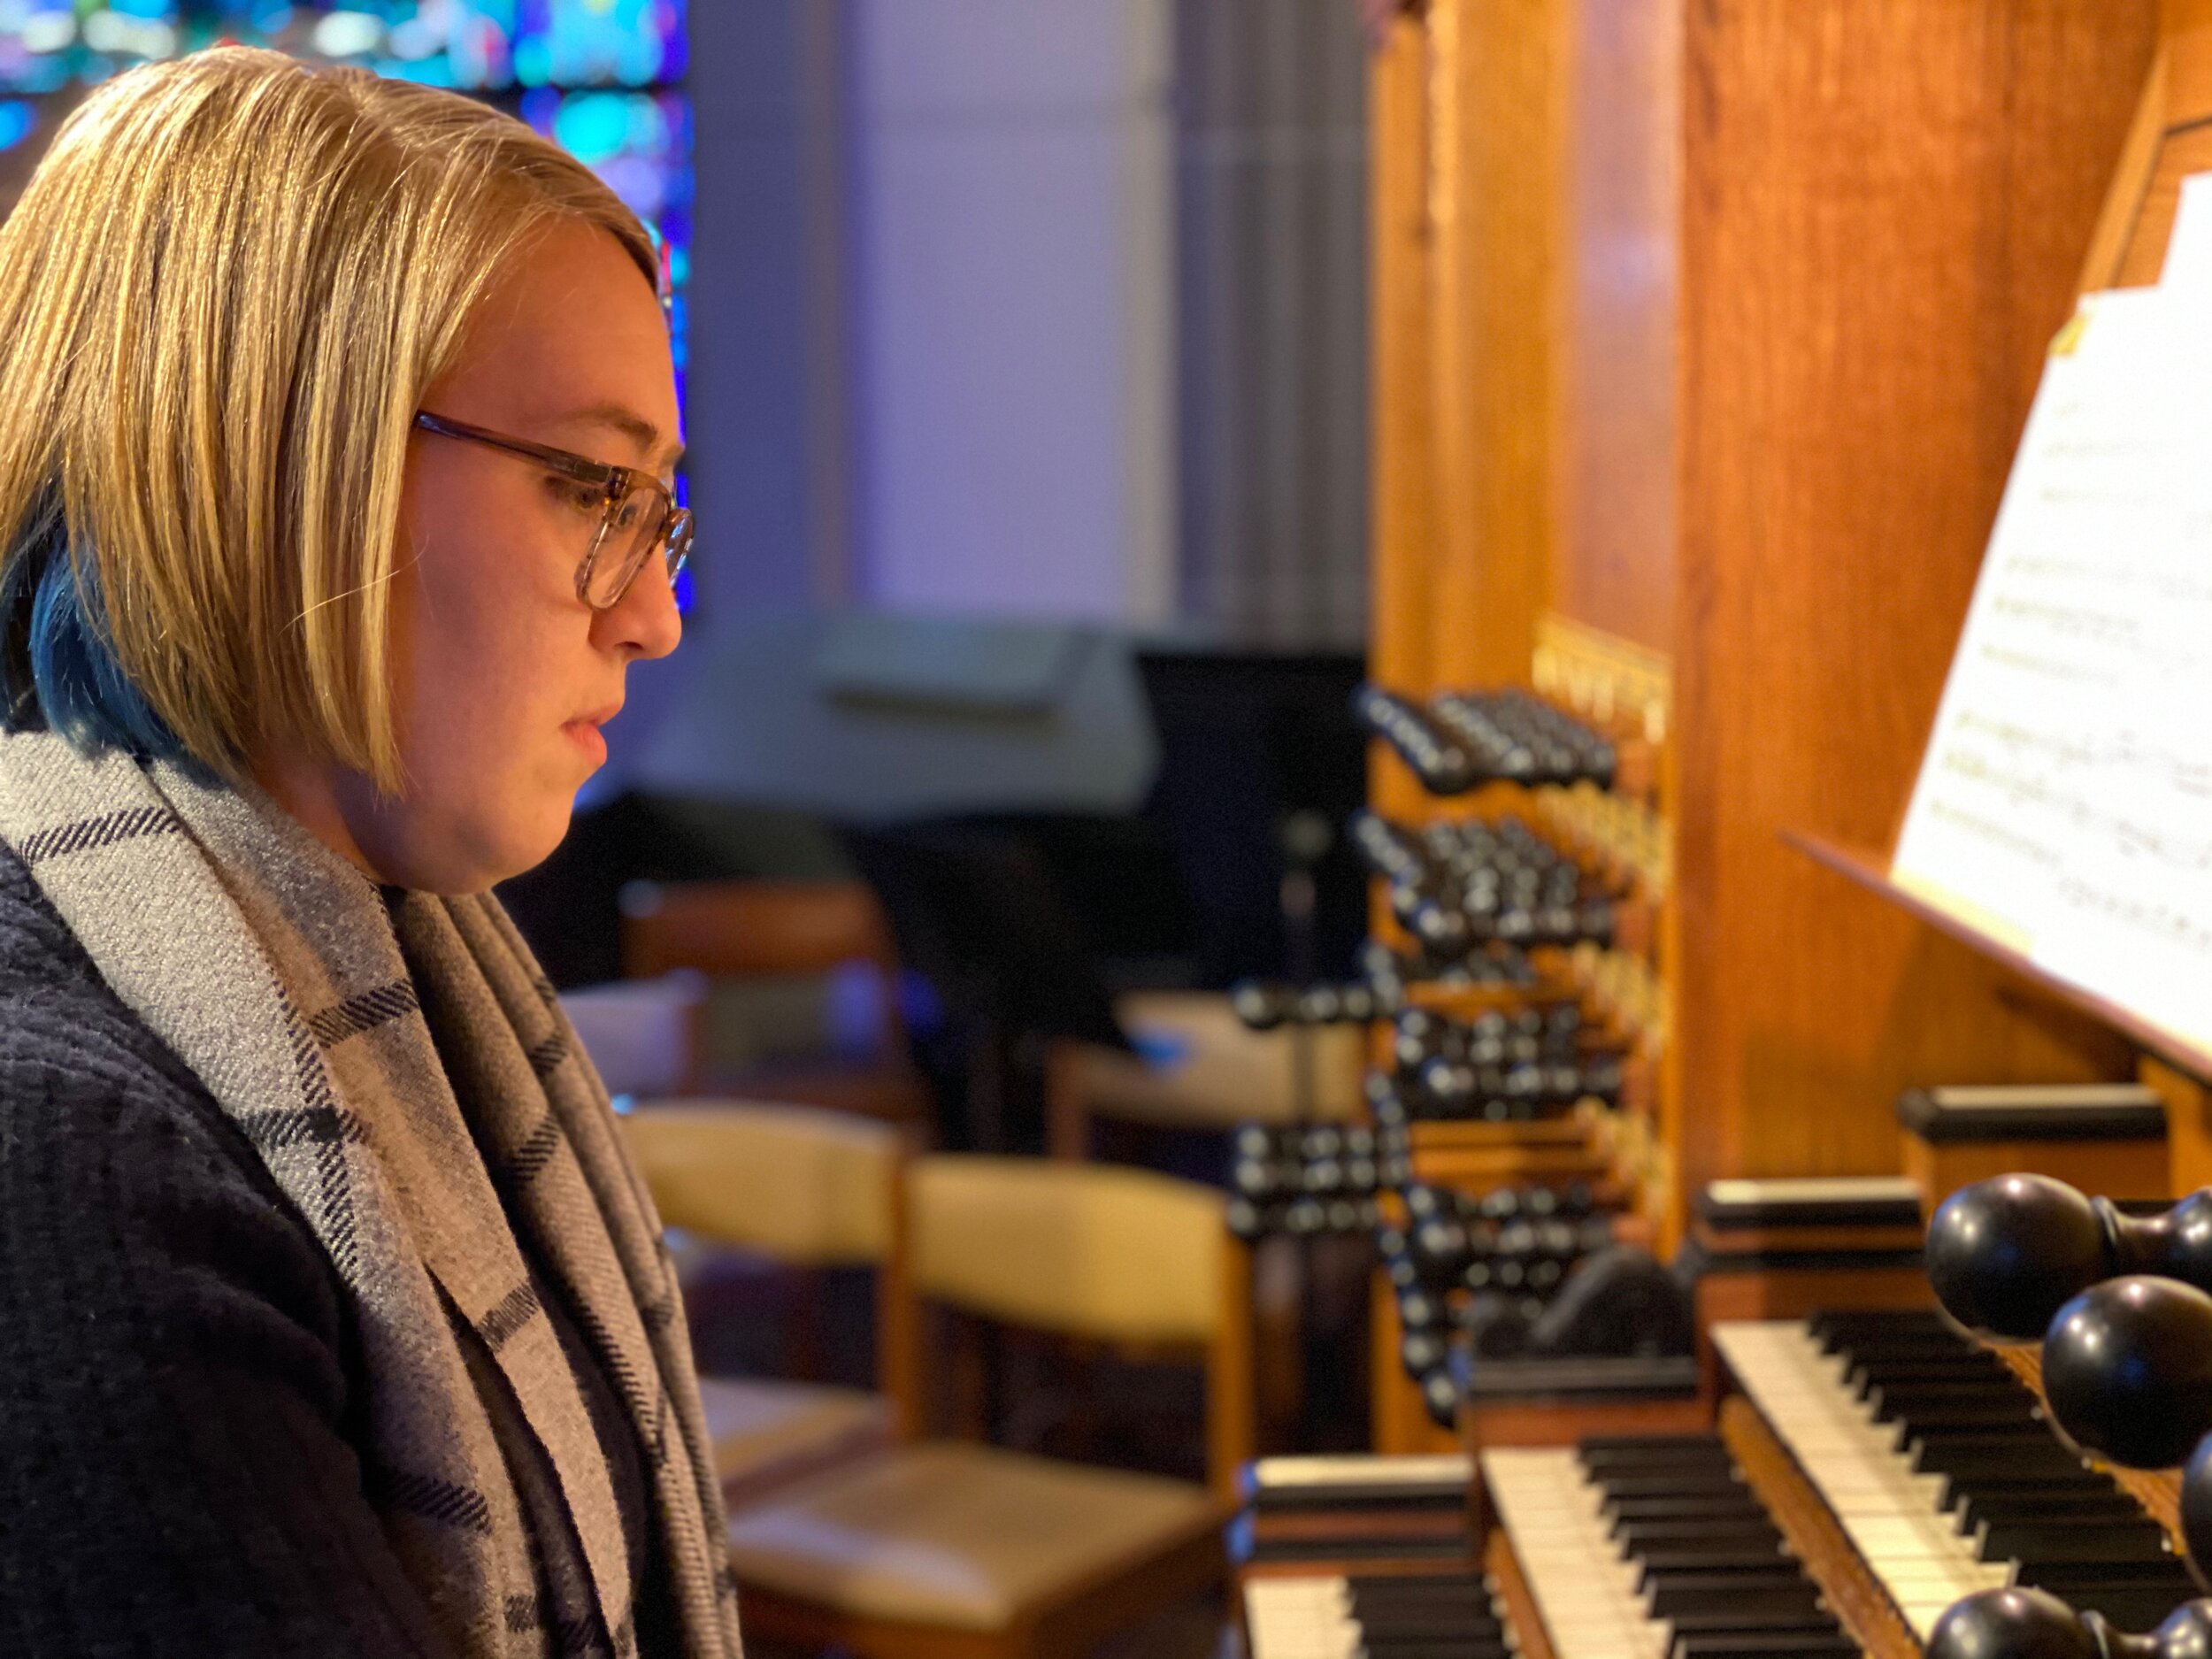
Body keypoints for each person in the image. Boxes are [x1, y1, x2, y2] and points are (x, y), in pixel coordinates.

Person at [0, 47, 740, 1659]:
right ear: (279, 461)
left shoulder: (402, 949)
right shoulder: (61, 1159)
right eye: (589, 488)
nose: (655, 613)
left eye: (658, 508)